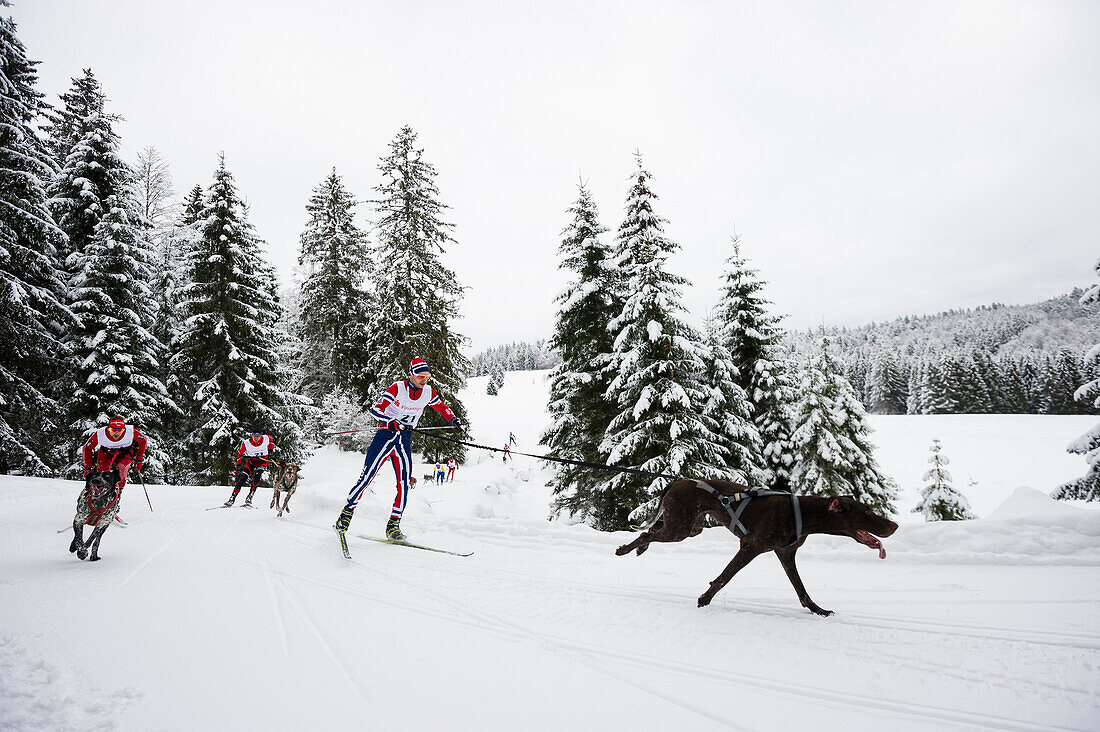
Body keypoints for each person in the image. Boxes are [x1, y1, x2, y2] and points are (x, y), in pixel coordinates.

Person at [334, 357, 464, 542]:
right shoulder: (398, 388)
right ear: (411, 374)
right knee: (366, 478)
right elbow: (376, 409)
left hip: (404, 440)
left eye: (427, 376)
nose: (424, 380)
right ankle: (346, 515)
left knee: (404, 484)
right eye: (420, 376)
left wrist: (454, 420)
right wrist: (389, 421)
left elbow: (441, 407)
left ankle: (393, 525)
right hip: (385, 437)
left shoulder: (427, 392)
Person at [82, 418, 148, 498]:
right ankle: (98, 493)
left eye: (120, 430)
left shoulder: (130, 431)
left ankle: (117, 495)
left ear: (124, 429)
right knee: (102, 473)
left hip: (125, 453)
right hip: (106, 452)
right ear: (108, 428)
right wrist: (87, 468)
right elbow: (87, 448)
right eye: (113, 430)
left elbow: (143, 440)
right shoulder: (100, 433)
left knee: (122, 470)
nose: (116, 433)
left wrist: (139, 459)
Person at [224, 429, 275, 507]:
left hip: (262, 461)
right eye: (254, 436)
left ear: (261, 436)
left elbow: (271, 441)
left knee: (257, 477)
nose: (256, 438)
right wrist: (238, 465)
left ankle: (249, 497)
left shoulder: (265, 438)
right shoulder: (247, 443)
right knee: (242, 479)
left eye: (258, 436)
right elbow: (239, 453)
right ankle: (232, 499)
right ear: (252, 435)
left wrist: (270, 451)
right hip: (251, 462)